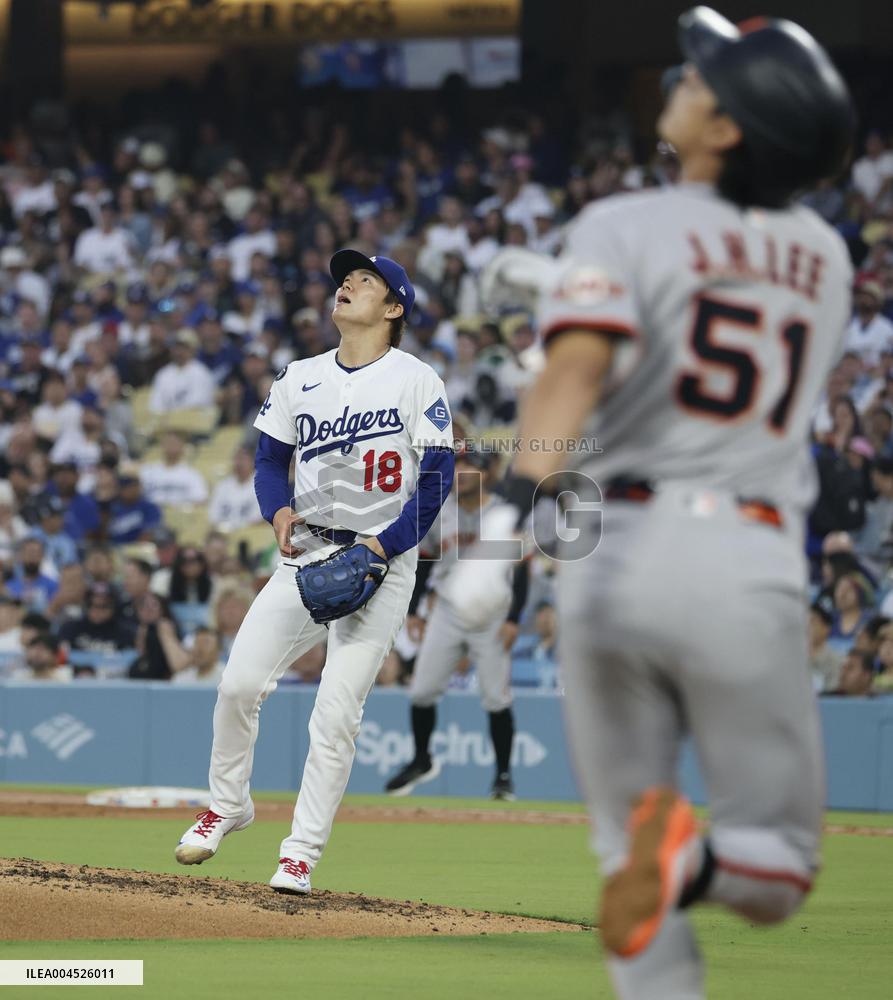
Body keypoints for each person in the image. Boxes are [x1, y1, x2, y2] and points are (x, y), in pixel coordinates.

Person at [443, 10, 854, 998]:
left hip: (609, 561)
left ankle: (667, 871)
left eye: (705, 78)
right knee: (775, 865)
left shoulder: (620, 222)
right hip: (740, 561)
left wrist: (498, 533)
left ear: (727, 130)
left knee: (626, 859)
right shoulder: (828, 260)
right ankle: (696, 862)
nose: (683, 74)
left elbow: (579, 366)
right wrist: (560, 282)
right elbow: (708, 307)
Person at [175, 250, 454, 898]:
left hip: (386, 556)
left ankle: (298, 855)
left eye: (366, 280)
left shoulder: (416, 379)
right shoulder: (300, 376)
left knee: (336, 713)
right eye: (344, 277)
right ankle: (228, 805)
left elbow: (436, 481)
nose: (348, 284)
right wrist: (275, 512)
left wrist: (385, 548)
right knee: (240, 684)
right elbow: (270, 460)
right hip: (308, 551)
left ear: (394, 307)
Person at [384, 449, 527, 800]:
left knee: (496, 696)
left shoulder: (502, 513)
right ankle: (421, 759)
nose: (461, 471)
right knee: (421, 691)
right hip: (447, 610)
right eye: (458, 464)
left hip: (493, 613)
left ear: (487, 472)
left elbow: (521, 569)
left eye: (470, 466)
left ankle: (503, 777)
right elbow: (427, 562)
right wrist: (416, 610)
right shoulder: (441, 511)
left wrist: (513, 618)